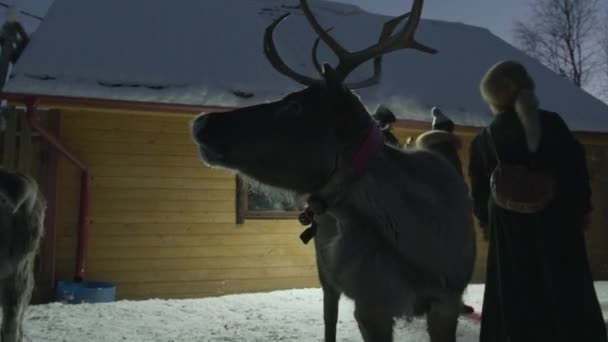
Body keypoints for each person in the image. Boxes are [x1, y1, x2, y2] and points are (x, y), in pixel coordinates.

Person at [468, 60, 606, 341]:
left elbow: (480, 198)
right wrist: (578, 211)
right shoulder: (553, 124)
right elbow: (578, 176)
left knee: (515, 298)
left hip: (509, 235)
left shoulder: (484, 139)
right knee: (566, 294)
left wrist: (489, 223)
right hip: (559, 228)